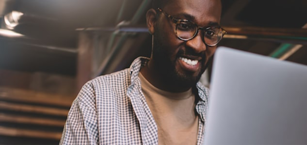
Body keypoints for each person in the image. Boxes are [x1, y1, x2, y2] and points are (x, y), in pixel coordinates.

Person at [60, 0, 225, 144]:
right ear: (152, 21)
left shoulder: (222, 113)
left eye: (210, 32)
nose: (198, 45)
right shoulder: (97, 98)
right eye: (184, 26)